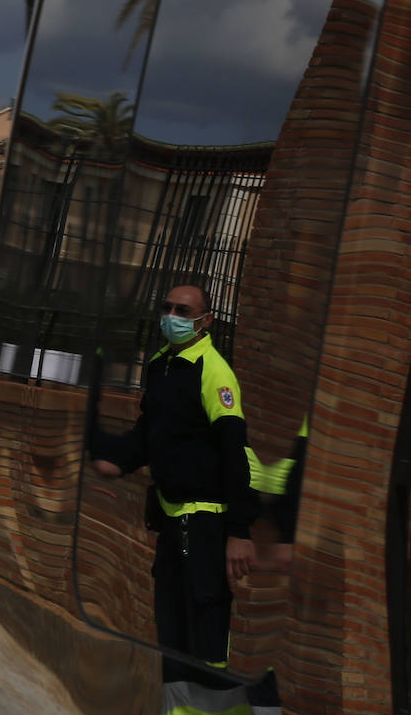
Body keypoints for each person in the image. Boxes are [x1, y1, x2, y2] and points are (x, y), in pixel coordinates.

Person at [90, 283, 259, 714]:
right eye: (166, 307)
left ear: (206, 321)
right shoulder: (163, 365)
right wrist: (118, 461)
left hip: (205, 525)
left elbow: (233, 455)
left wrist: (239, 531)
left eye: (183, 310)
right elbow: (151, 434)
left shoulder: (214, 372)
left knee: (206, 640)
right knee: (172, 636)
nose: (171, 316)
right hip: (171, 522)